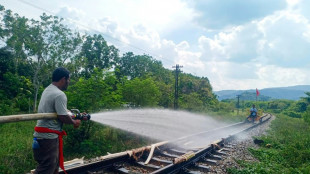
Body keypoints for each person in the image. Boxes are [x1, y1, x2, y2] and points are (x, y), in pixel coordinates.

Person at [33, 67, 81, 174]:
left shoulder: (48, 89)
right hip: (48, 138)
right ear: (63, 79)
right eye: (68, 80)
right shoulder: (60, 94)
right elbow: (63, 116)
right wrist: (74, 122)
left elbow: (61, 110)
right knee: (47, 168)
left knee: (53, 166)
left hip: (40, 136)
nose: (68, 83)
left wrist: (72, 114)